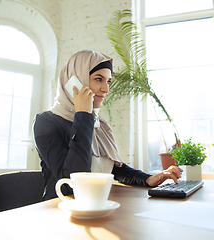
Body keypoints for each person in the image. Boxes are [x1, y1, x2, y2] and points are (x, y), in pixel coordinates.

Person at [32, 50, 182, 201]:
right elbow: (73, 180)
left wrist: (147, 179)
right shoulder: (46, 122)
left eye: (108, 81)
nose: (106, 89)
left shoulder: (97, 123)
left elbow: (114, 168)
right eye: (99, 79)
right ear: (75, 81)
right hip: (60, 209)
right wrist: (83, 114)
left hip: (97, 204)